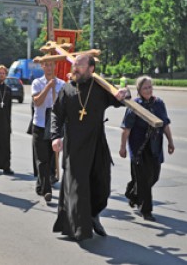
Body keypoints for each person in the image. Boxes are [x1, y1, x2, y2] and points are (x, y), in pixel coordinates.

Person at [51, 54, 127, 241]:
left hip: (96, 143)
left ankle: (93, 214)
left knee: (102, 185)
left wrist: (125, 92)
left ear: (91, 68)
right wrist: (55, 136)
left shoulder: (100, 88)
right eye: (74, 65)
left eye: (79, 65)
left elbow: (119, 100)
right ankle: (80, 229)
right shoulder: (67, 89)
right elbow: (56, 114)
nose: (75, 68)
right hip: (74, 146)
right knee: (78, 188)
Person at [119, 75, 175, 221]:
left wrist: (170, 141)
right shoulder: (135, 105)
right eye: (145, 88)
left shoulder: (159, 103)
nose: (148, 90)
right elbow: (126, 129)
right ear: (139, 90)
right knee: (143, 179)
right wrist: (123, 148)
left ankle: (133, 193)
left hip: (155, 145)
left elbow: (165, 124)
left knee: (154, 176)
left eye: (150, 87)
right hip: (139, 147)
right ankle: (146, 211)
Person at [31, 60, 64, 202]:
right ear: (42, 66)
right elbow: (37, 102)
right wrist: (48, 87)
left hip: (54, 126)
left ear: (55, 66)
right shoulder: (37, 82)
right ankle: (47, 190)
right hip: (39, 124)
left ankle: (41, 185)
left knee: (50, 158)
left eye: (52, 65)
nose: (49, 67)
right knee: (41, 159)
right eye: (46, 65)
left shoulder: (62, 84)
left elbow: (62, 105)